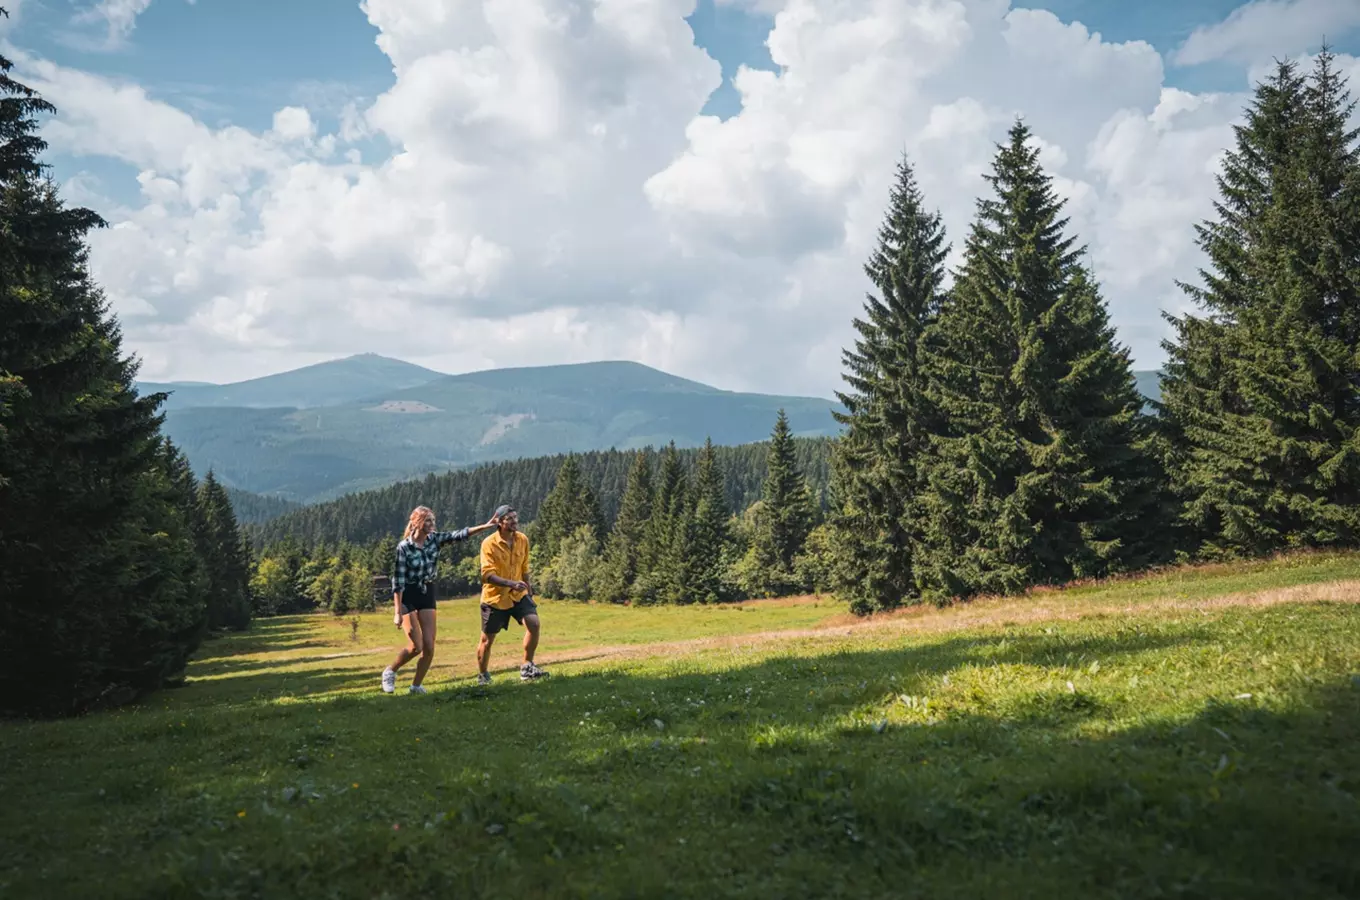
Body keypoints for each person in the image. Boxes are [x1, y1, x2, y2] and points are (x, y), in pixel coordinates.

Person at [381, 506, 497, 695]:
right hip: (407, 595)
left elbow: (460, 535)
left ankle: (416, 686)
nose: (432, 525)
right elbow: (398, 581)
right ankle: (390, 671)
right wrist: (397, 613)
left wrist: (486, 526)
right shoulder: (404, 547)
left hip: (426, 591)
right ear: (417, 522)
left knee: (429, 646)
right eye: (428, 521)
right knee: (416, 646)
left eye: (433, 521)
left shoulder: (434, 540)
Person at [476, 505, 548, 684]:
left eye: (515, 517)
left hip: (519, 594)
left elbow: (524, 568)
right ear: (499, 522)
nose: (515, 521)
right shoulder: (488, 544)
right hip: (495, 598)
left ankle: (527, 666)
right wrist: (510, 584)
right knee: (487, 640)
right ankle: (483, 675)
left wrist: (529, 592)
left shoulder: (522, 539)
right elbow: (487, 575)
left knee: (534, 624)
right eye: (510, 518)